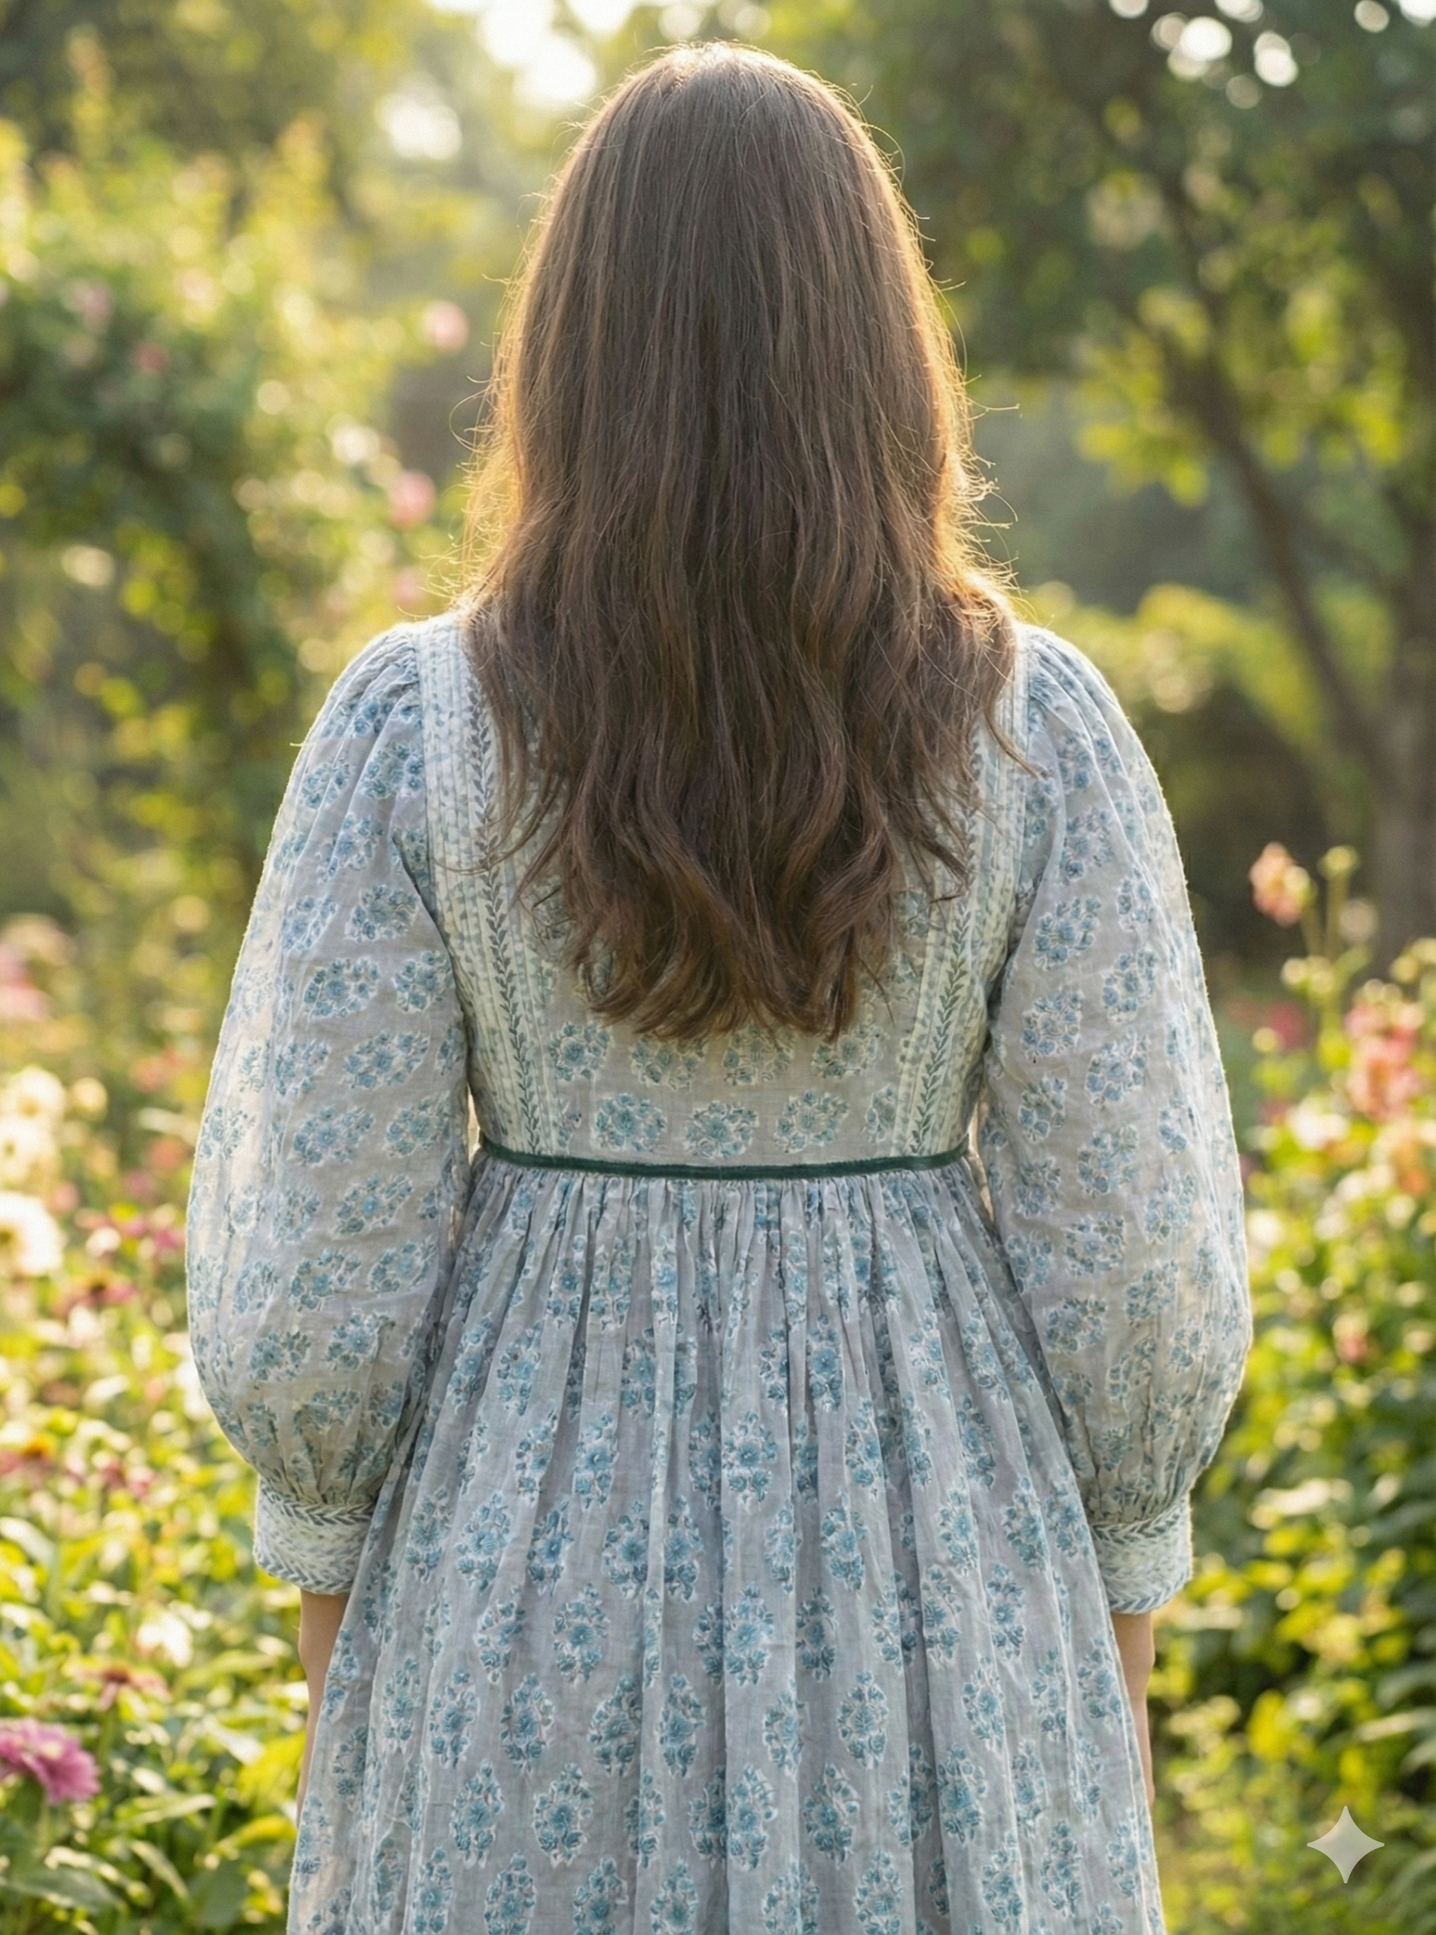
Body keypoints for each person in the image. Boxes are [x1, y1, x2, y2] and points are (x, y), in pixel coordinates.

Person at [186, 39, 1251, 1935]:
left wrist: (361, 1657)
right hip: (944, 1579)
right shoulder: (1041, 737)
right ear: (881, 355)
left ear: (566, 355)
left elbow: (319, 1279)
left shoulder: (412, 728)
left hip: (510, 1580)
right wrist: (1107, 1677)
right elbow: (1139, 1280)